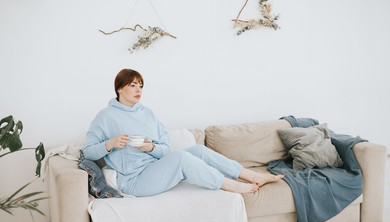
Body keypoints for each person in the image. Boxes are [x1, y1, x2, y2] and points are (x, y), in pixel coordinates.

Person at [83, 68, 284, 197]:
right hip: (134, 181)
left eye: (141, 86)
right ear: (119, 88)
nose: (138, 90)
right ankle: (229, 185)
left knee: (198, 150)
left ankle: (251, 175)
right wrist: (110, 144)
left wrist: (151, 147)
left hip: (156, 168)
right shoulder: (105, 117)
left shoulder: (148, 114)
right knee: (180, 158)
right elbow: (88, 152)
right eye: (133, 85)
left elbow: (165, 149)